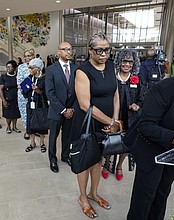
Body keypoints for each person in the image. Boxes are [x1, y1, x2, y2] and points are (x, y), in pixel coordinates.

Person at [69, 33, 120, 219]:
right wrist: (111, 122)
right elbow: (85, 104)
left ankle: (94, 193)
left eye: (107, 49)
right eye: (100, 50)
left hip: (106, 124)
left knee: (98, 161)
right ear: (90, 50)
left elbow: (115, 95)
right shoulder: (82, 71)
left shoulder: (111, 66)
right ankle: (83, 198)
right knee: (84, 162)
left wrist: (114, 120)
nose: (104, 53)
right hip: (87, 124)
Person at [123, 77, 174, 220]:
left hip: (170, 155)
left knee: (162, 193)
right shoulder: (164, 88)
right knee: (145, 196)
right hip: (150, 151)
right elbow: (146, 126)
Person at [102, 49, 147, 180]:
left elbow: (142, 97)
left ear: (134, 63)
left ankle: (120, 165)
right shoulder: (111, 77)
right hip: (112, 115)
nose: (127, 64)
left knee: (126, 142)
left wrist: (137, 105)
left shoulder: (137, 79)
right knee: (110, 140)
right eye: (124, 61)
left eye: (130, 62)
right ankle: (107, 163)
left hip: (130, 118)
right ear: (119, 62)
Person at [45, 42, 77, 173]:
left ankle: (65, 156)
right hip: (57, 111)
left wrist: (71, 109)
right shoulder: (51, 69)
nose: (68, 52)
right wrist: (63, 110)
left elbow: (77, 91)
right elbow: (50, 93)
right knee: (53, 136)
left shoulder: (76, 69)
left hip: (71, 110)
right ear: (59, 52)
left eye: (70, 49)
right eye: (65, 50)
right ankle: (52, 159)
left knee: (68, 136)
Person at [24, 58, 48, 153]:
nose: (29, 69)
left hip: (41, 104)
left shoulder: (45, 79)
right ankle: (32, 143)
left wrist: (38, 91)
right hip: (30, 103)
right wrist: (26, 89)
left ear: (38, 69)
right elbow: (24, 92)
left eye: (31, 67)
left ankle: (42, 143)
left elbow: (47, 93)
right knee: (30, 123)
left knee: (41, 124)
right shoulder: (29, 78)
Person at [0, 60, 21, 134]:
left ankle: (14, 127)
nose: (8, 68)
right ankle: (8, 126)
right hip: (7, 98)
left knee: (15, 113)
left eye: (9, 67)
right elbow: (0, 89)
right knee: (8, 114)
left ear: (14, 68)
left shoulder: (17, 76)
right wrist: (3, 100)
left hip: (16, 97)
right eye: (7, 67)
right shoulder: (3, 77)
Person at [17, 48, 35, 140]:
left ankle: (34, 129)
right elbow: (19, 83)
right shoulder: (21, 67)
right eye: (25, 56)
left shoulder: (37, 66)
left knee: (34, 113)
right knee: (24, 113)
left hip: (34, 94)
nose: (27, 58)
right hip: (23, 94)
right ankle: (27, 131)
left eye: (29, 56)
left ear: (33, 56)